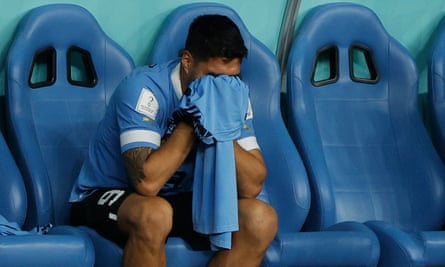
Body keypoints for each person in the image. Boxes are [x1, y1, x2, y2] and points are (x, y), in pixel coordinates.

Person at [69, 14, 277, 267]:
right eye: (212, 77)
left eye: (231, 77)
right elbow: (146, 184)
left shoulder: (232, 95)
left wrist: (220, 127)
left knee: (261, 218)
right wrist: (193, 118)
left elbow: (251, 186)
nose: (221, 86)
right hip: (109, 195)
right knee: (155, 213)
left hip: (183, 199)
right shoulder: (144, 89)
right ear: (187, 61)